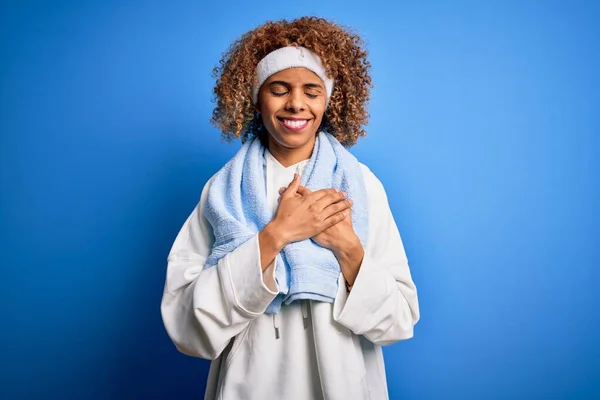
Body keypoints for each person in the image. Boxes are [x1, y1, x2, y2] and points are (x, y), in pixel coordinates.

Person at [160, 16, 420, 400]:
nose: (296, 103)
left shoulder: (360, 185)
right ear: (255, 99)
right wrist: (277, 234)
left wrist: (347, 246)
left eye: (311, 91)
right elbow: (186, 327)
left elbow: (399, 320)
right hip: (248, 386)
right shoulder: (222, 192)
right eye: (279, 89)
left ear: (329, 100)